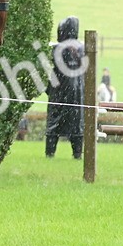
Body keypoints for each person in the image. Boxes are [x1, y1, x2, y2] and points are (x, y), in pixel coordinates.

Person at [45, 16, 85, 159]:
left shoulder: (56, 49)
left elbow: (47, 71)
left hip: (59, 95)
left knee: (54, 126)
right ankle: (77, 154)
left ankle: (50, 154)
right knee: (76, 127)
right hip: (77, 97)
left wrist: (49, 89)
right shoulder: (83, 49)